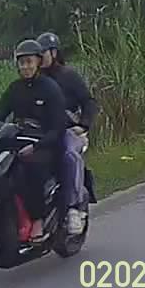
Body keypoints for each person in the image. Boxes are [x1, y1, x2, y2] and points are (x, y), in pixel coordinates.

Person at [0, 39, 69, 243]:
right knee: (1, 171)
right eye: (22, 63)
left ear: (38, 62)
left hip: (43, 143)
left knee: (29, 169)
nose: (25, 67)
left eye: (29, 62)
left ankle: (37, 219)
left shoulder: (50, 88)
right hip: (18, 139)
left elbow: (58, 127)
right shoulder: (14, 89)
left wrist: (37, 145)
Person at [37, 32, 95, 235]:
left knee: (69, 155)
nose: (40, 58)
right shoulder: (34, 80)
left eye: (43, 53)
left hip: (69, 130)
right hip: (42, 132)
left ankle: (74, 208)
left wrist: (83, 125)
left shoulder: (69, 76)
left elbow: (88, 102)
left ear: (54, 53)